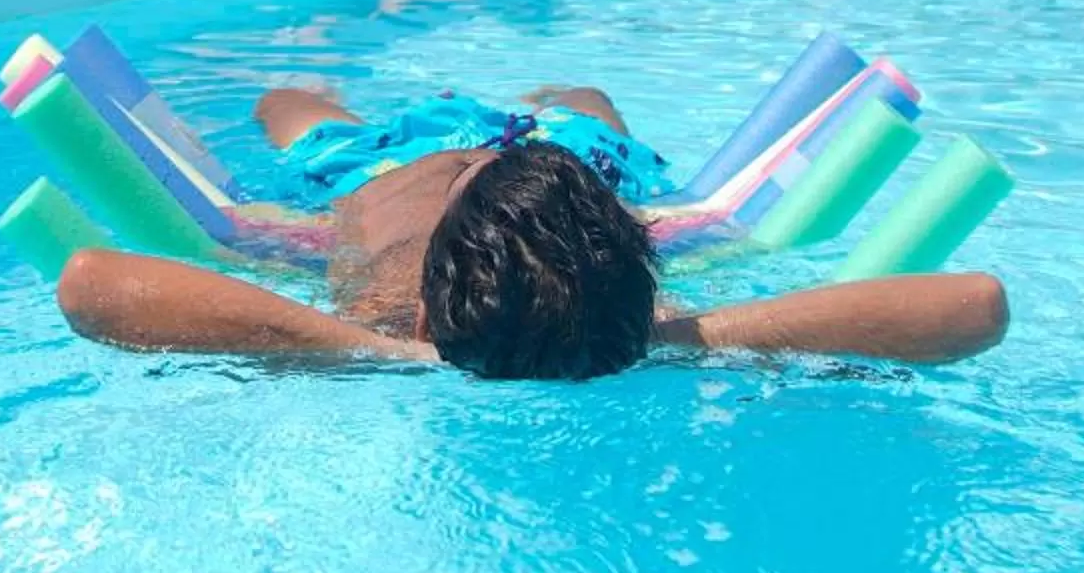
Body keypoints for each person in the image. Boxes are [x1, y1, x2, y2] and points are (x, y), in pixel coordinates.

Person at [55, 80, 1011, 378]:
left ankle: (563, 106)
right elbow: (974, 306)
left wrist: (388, 354)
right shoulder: (614, 298)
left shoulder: (403, 312)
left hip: (416, 171)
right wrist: (669, 339)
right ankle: (562, 108)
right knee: (291, 105)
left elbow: (87, 284)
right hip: (505, 165)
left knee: (583, 97)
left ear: (429, 309)